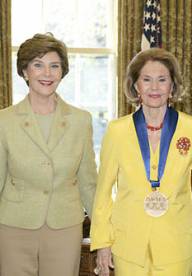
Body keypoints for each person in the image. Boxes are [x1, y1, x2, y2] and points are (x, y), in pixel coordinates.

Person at [90, 48, 192, 276]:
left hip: (176, 245)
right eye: (146, 80)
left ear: (172, 86)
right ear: (136, 86)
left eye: (162, 80)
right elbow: (103, 192)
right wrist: (103, 242)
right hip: (127, 245)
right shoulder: (117, 131)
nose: (154, 88)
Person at [0, 33, 97, 276]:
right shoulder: (4, 121)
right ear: (25, 71)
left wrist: (104, 230)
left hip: (65, 226)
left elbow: (88, 182)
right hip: (14, 226)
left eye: (54, 66)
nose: (47, 74)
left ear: (62, 72)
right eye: (38, 65)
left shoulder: (80, 120)